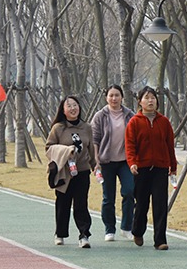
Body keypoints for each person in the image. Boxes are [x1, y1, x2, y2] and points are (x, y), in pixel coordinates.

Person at [125, 86, 177, 250]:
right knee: (142, 204)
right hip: (141, 168)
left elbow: (169, 145)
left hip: (160, 168)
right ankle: (137, 231)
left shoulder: (164, 122)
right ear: (140, 102)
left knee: (160, 204)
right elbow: (130, 145)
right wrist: (132, 162)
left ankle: (160, 240)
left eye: (153, 98)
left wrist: (173, 165)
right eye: (146, 98)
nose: (150, 101)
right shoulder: (134, 122)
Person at [45, 95, 95, 249]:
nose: (73, 108)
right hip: (64, 172)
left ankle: (84, 234)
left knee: (81, 203)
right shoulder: (58, 128)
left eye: (75, 105)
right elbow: (49, 148)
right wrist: (66, 151)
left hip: (82, 171)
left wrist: (94, 165)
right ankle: (60, 233)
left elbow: (91, 148)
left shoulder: (86, 127)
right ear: (63, 110)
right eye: (69, 106)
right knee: (63, 203)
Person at [91, 85, 136, 241]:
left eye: (117, 95)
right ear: (106, 98)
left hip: (125, 162)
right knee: (108, 197)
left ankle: (127, 227)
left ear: (122, 97)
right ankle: (109, 229)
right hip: (106, 162)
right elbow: (95, 139)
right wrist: (96, 160)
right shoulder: (100, 116)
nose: (114, 98)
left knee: (129, 192)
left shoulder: (130, 115)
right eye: (111, 95)